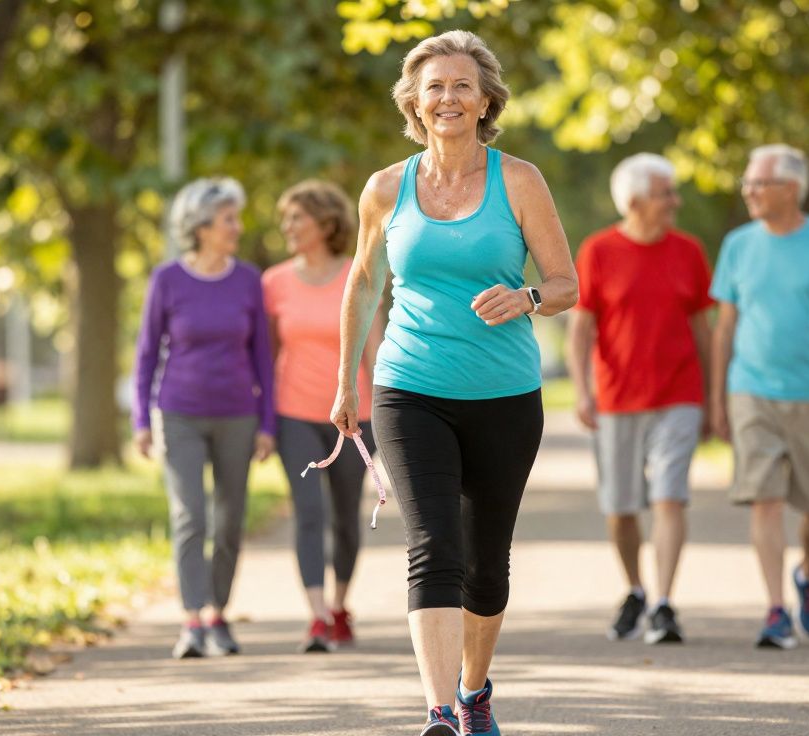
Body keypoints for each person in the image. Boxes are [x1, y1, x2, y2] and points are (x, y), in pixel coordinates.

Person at [330, 30, 577, 736]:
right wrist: (347, 380)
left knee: (486, 566)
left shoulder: (519, 180)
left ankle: (473, 690)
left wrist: (527, 298)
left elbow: (567, 284)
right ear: (413, 101)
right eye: (434, 86)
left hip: (504, 394)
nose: (448, 97)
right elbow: (363, 284)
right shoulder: (385, 188)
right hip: (410, 388)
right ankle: (438, 709)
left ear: (485, 100)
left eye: (462, 85)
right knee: (432, 545)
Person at [708, 144, 809, 649]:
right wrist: (717, 398)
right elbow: (724, 327)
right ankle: (776, 610)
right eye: (747, 182)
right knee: (766, 499)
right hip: (751, 390)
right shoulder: (737, 245)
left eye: (759, 183)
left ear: (791, 189)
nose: (748, 191)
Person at [567, 153, 713, 646]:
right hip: (617, 398)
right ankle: (635, 589)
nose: (675, 201)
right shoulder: (598, 251)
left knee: (670, 495)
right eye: (665, 193)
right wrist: (583, 392)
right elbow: (580, 330)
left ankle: (665, 603)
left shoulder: (689, 251)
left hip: (679, 392)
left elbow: (703, 330)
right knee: (621, 507)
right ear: (633, 202)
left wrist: (713, 398)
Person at [132, 177, 276, 659]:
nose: (236, 227)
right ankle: (192, 619)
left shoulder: (248, 280)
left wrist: (267, 424)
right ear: (201, 227)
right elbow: (147, 354)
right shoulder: (167, 280)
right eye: (228, 219)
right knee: (190, 515)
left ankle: (218, 614)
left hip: (238, 413)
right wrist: (140, 421)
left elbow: (263, 357)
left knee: (230, 519)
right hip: (180, 414)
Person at [264, 180, 385, 653]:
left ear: (326, 222)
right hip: (294, 413)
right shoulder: (273, 282)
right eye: (286, 219)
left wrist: (389, 407)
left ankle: (339, 606)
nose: (287, 227)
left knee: (345, 517)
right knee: (308, 512)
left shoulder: (359, 273)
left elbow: (374, 347)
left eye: (297, 217)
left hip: (356, 415)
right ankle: (316, 616)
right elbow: (268, 355)